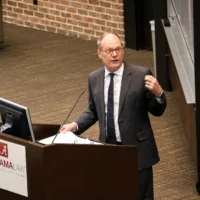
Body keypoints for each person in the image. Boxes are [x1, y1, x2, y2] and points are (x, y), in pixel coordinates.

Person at [60, 32, 167, 200]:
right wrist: (75, 125)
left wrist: (159, 93)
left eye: (118, 49)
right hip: (108, 150)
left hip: (136, 151)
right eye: (109, 50)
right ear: (99, 53)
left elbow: (157, 110)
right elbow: (93, 110)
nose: (115, 54)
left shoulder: (141, 74)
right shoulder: (94, 78)